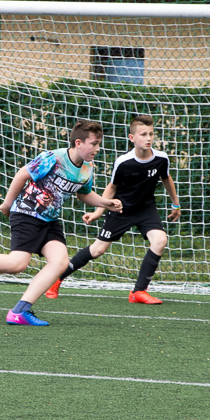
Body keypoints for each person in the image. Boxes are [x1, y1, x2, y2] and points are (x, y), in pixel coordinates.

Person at [0, 119, 122, 326]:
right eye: (94, 144)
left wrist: (105, 203)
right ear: (78, 143)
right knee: (17, 264)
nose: (98, 149)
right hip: (27, 213)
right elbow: (22, 175)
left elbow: (83, 194)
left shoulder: (87, 168)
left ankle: (20, 311)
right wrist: (7, 203)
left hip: (49, 220)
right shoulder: (53, 158)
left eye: (99, 144)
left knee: (60, 262)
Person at [46, 114, 181, 305]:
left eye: (151, 134)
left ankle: (138, 291)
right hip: (120, 210)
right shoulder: (124, 162)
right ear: (132, 138)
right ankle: (56, 279)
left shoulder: (161, 159)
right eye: (143, 134)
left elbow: (166, 179)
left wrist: (176, 204)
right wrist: (98, 212)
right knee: (97, 250)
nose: (149, 138)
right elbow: (112, 187)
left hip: (146, 210)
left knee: (160, 240)